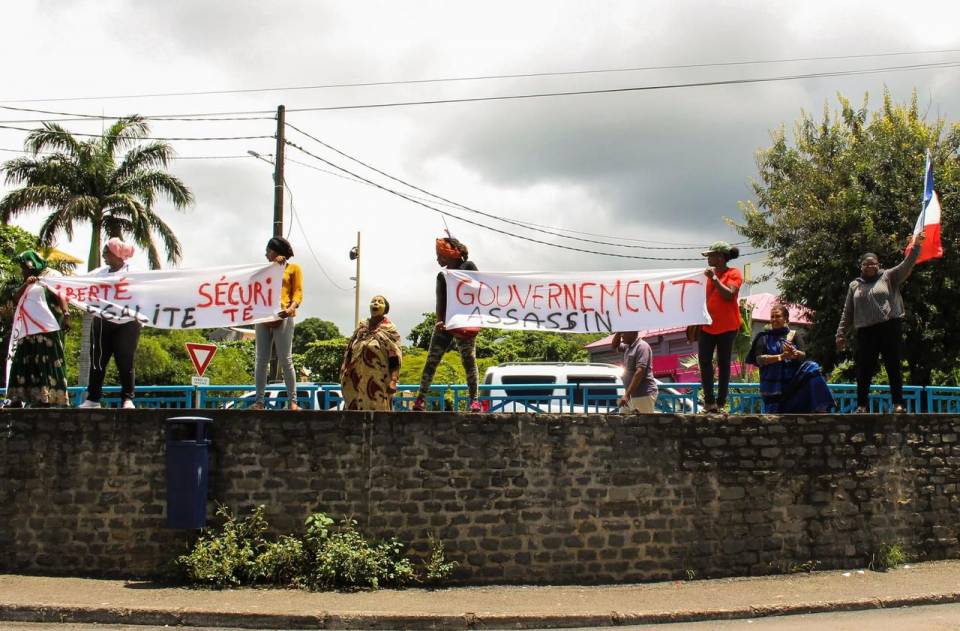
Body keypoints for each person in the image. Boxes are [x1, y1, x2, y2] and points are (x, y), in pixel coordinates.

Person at [836, 234, 924, 413]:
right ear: (861, 266)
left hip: (889, 327)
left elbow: (907, 264)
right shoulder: (855, 285)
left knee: (893, 366)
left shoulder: (889, 276)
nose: (870, 266)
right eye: (866, 263)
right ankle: (861, 405)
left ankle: (898, 404)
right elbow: (848, 311)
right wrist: (840, 333)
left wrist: (916, 246)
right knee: (864, 369)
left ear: (878, 264)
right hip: (866, 331)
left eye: (873, 263)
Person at [413, 236, 481, 412]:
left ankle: (474, 400)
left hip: (465, 321)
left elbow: (481, 288)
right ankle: (420, 400)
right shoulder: (442, 276)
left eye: (439, 255)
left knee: (468, 360)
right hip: (446, 323)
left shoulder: (468, 267)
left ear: (449, 253)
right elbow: (440, 301)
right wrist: (439, 321)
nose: (437, 259)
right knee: (432, 360)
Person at [79, 238, 141, 409]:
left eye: (106, 252)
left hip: (128, 322)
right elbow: (78, 283)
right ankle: (93, 399)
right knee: (98, 360)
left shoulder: (134, 273)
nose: (104, 256)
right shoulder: (99, 273)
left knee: (125, 361)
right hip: (102, 321)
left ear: (116, 254)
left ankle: (128, 399)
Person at [6, 250, 69, 408]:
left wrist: (66, 314)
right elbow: (15, 298)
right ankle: (17, 398)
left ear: (32, 265)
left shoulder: (51, 276)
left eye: (24, 267)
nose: (22, 271)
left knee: (46, 363)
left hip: (47, 329)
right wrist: (27, 283)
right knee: (24, 363)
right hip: (28, 330)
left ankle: (45, 398)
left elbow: (61, 295)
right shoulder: (29, 281)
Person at [746, 304, 834, 413]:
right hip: (773, 391)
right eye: (772, 317)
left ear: (786, 319)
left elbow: (803, 355)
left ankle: (822, 409)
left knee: (812, 367)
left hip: (793, 386)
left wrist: (795, 353)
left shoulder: (794, 335)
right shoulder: (763, 337)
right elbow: (759, 359)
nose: (774, 319)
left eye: (777, 316)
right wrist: (781, 357)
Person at [252, 236, 302, 410]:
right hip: (264, 316)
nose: (266, 254)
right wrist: (273, 267)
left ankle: (293, 401)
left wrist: (291, 308)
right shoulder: (265, 269)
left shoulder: (294, 269)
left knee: (285, 358)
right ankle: (259, 401)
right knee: (261, 359)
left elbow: (297, 292)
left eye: (268, 250)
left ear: (276, 251)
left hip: (283, 316)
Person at [696, 241, 743, 413]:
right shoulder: (706, 275)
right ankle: (709, 402)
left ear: (721, 257)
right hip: (707, 326)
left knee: (724, 363)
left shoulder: (734, 273)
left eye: (711, 255)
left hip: (727, 327)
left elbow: (729, 294)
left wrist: (714, 279)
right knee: (705, 362)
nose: (708, 258)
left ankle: (721, 402)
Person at [340, 295, 402, 411]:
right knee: (354, 413)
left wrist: (393, 381)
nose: (376, 303)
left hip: (379, 382)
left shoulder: (389, 330)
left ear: (385, 309)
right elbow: (350, 349)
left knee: (378, 415)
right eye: (373, 301)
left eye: (380, 302)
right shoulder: (361, 327)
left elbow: (394, 357)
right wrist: (345, 367)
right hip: (356, 380)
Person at [612, 331, 658, 413]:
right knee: (622, 422)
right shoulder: (628, 346)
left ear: (633, 333)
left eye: (624, 333)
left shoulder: (642, 346)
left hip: (643, 395)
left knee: (643, 424)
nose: (622, 335)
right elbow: (614, 346)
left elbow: (640, 372)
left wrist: (627, 395)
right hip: (630, 396)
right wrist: (618, 332)